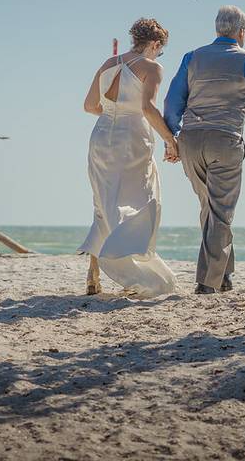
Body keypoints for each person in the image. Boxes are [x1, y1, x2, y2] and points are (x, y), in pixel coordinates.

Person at [164, 5, 245, 294]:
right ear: (241, 32)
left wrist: (171, 139)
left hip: (191, 140)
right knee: (220, 211)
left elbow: (173, 102)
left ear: (217, 29)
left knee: (210, 208)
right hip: (225, 139)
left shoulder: (192, 57)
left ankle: (223, 276)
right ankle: (207, 283)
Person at [77, 18, 179, 297]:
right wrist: (170, 139)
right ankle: (122, 263)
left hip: (100, 136)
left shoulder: (107, 65)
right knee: (142, 201)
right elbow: (147, 108)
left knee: (104, 201)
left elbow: (89, 106)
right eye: (160, 49)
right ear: (156, 44)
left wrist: (114, 115)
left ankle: (94, 272)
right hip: (131, 139)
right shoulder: (152, 67)